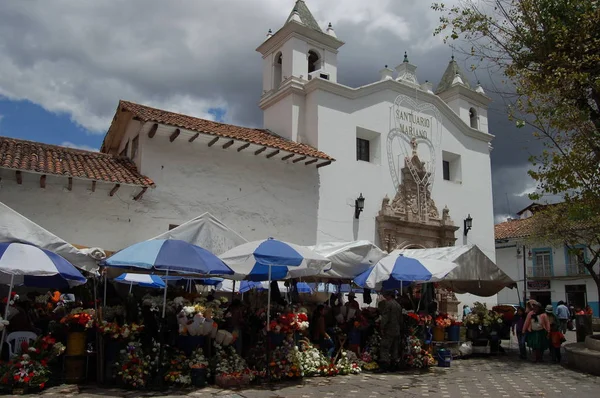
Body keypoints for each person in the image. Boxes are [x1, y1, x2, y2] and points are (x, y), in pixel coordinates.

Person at [377, 291, 402, 373]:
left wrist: (382, 327)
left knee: (384, 347)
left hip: (389, 329)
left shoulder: (388, 304)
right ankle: (394, 365)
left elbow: (385, 317)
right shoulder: (398, 305)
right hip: (396, 329)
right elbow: (400, 319)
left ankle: (384, 366)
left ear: (388, 296)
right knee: (394, 348)